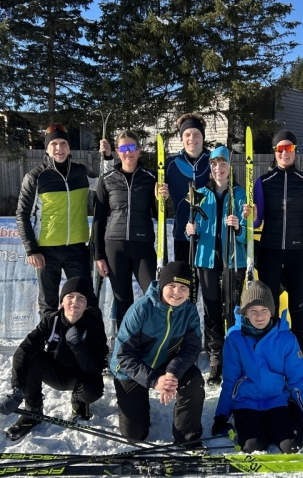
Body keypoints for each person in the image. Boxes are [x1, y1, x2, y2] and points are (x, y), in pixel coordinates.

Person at [247, 129, 303, 357]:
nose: (284, 153)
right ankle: (271, 352)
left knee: (298, 305)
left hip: (298, 251)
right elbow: (257, 222)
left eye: (289, 148)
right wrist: (251, 215)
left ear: (295, 151)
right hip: (270, 251)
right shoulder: (263, 181)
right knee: (269, 306)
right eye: (280, 149)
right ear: (274, 152)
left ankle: (299, 353)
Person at [211, 281, 303, 453]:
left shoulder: (286, 339)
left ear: (271, 311)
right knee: (252, 446)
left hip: (276, 399)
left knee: (291, 445)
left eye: (264, 310)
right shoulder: (235, 337)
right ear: (245, 312)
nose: (259, 316)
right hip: (246, 401)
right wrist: (221, 415)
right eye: (253, 311)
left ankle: (292, 414)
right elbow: (230, 379)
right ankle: (261, 426)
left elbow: (298, 381)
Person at [16, 124, 113, 317]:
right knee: (49, 302)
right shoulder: (36, 177)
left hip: (76, 248)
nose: (59, 148)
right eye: (54, 144)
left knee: (85, 298)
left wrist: (108, 157)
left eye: (63, 143)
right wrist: (31, 249)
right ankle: (50, 343)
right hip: (46, 249)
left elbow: (105, 183)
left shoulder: (80, 172)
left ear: (69, 147)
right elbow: (22, 214)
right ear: (46, 148)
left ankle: (85, 340)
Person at [0, 277, 108, 441]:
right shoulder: (51, 320)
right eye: (70, 296)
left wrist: (78, 346)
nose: (75, 301)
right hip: (56, 371)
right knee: (33, 358)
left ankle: (79, 402)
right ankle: (33, 411)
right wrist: (18, 388)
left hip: (81, 375)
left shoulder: (94, 325)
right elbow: (24, 350)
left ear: (86, 303)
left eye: (81, 298)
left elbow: (95, 367)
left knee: (93, 390)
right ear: (62, 301)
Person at [109, 261, 205, 445]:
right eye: (171, 286)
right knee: (135, 435)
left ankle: (187, 438)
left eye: (183, 287)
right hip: (131, 370)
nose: (177, 292)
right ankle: (130, 401)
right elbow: (124, 355)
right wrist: (154, 380)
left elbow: (191, 348)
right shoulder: (141, 309)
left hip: (163, 363)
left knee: (194, 378)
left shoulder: (189, 311)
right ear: (162, 285)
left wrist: (172, 373)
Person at [185, 146, 246, 386]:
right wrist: (191, 230)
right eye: (214, 165)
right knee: (211, 310)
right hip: (206, 260)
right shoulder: (199, 193)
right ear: (210, 168)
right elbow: (194, 228)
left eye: (223, 164)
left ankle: (232, 356)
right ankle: (215, 357)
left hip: (233, 260)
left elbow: (248, 235)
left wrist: (239, 228)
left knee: (231, 309)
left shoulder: (241, 195)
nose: (218, 169)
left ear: (230, 167)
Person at [93, 130, 166, 329]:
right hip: (114, 247)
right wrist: (98, 255)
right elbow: (99, 219)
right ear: (117, 151)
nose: (128, 152)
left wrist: (163, 199)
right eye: (123, 148)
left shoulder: (151, 177)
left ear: (139, 150)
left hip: (143, 246)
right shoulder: (107, 179)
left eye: (132, 147)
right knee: (123, 300)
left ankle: (153, 345)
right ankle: (125, 349)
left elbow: (160, 212)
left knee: (154, 296)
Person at [163, 113, 212, 265]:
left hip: (210, 234)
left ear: (203, 136)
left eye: (196, 134)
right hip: (182, 233)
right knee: (185, 285)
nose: (192, 138)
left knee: (209, 286)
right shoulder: (171, 163)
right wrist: (160, 195)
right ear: (182, 138)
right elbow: (158, 199)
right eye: (187, 134)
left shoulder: (214, 161)